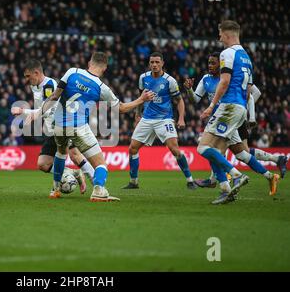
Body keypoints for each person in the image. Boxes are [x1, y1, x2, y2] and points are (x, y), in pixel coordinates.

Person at [35, 52, 154, 201]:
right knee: (101, 164)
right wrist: (141, 99)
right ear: (104, 68)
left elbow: (54, 96)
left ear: (89, 63)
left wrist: (38, 113)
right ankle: (98, 190)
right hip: (79, 128)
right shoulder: (101, 87)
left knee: (60, 153)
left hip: (58, 126)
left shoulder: (72, 72)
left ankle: (56, 189)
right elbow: (122, 108)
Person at [198, 20, 280, 204]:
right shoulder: (246, 57)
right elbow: (249, 88)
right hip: (240, 107)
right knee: (224, 151)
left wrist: (212, 105)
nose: (219, 37)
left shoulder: (228, 53)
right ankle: (227, 190)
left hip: (228, 106)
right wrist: (248, 113)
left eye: (220, 34)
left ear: (227, 34)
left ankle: (235, 176)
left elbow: (224, 81)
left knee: (203, 147)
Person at [185, 53, 288, 188]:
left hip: (230, 118)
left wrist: (249, 116)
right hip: (220, 120)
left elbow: (252, 94)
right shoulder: (206, 79)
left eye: (213, 63)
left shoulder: (231, 78)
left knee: (210, 148)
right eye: (209, 63)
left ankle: (224, 181)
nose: (210, 66)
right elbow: (195, 99)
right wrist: (189, 90)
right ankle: (270, 174)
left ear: (221, 64)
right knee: (241, 154)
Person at [11, 59, 95, 194]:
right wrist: (23, 112)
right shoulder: (35, 87)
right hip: (51, 130)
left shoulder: (49, 85)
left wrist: (33, 114)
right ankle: (73, 173)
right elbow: (41, 110)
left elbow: (51, 108)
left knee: (74, 155)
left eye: (28, 76)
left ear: (36, 73)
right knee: (43, 164)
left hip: (63, 125)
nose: (26, 79)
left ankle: (98, 186)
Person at [123, 52, 197, 190]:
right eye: (152, 62)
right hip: (147, 118)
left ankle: (190, 180)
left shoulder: (170, 81)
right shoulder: (143, 78)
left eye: (157, 62)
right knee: (132, 148)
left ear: (162, 63)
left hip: (164, 119)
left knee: (174, 148)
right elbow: (142, 97)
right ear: (149, 63)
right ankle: (133, 182)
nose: (154, 65)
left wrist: (181, 118)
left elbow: (179, 101)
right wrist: (138, 114)